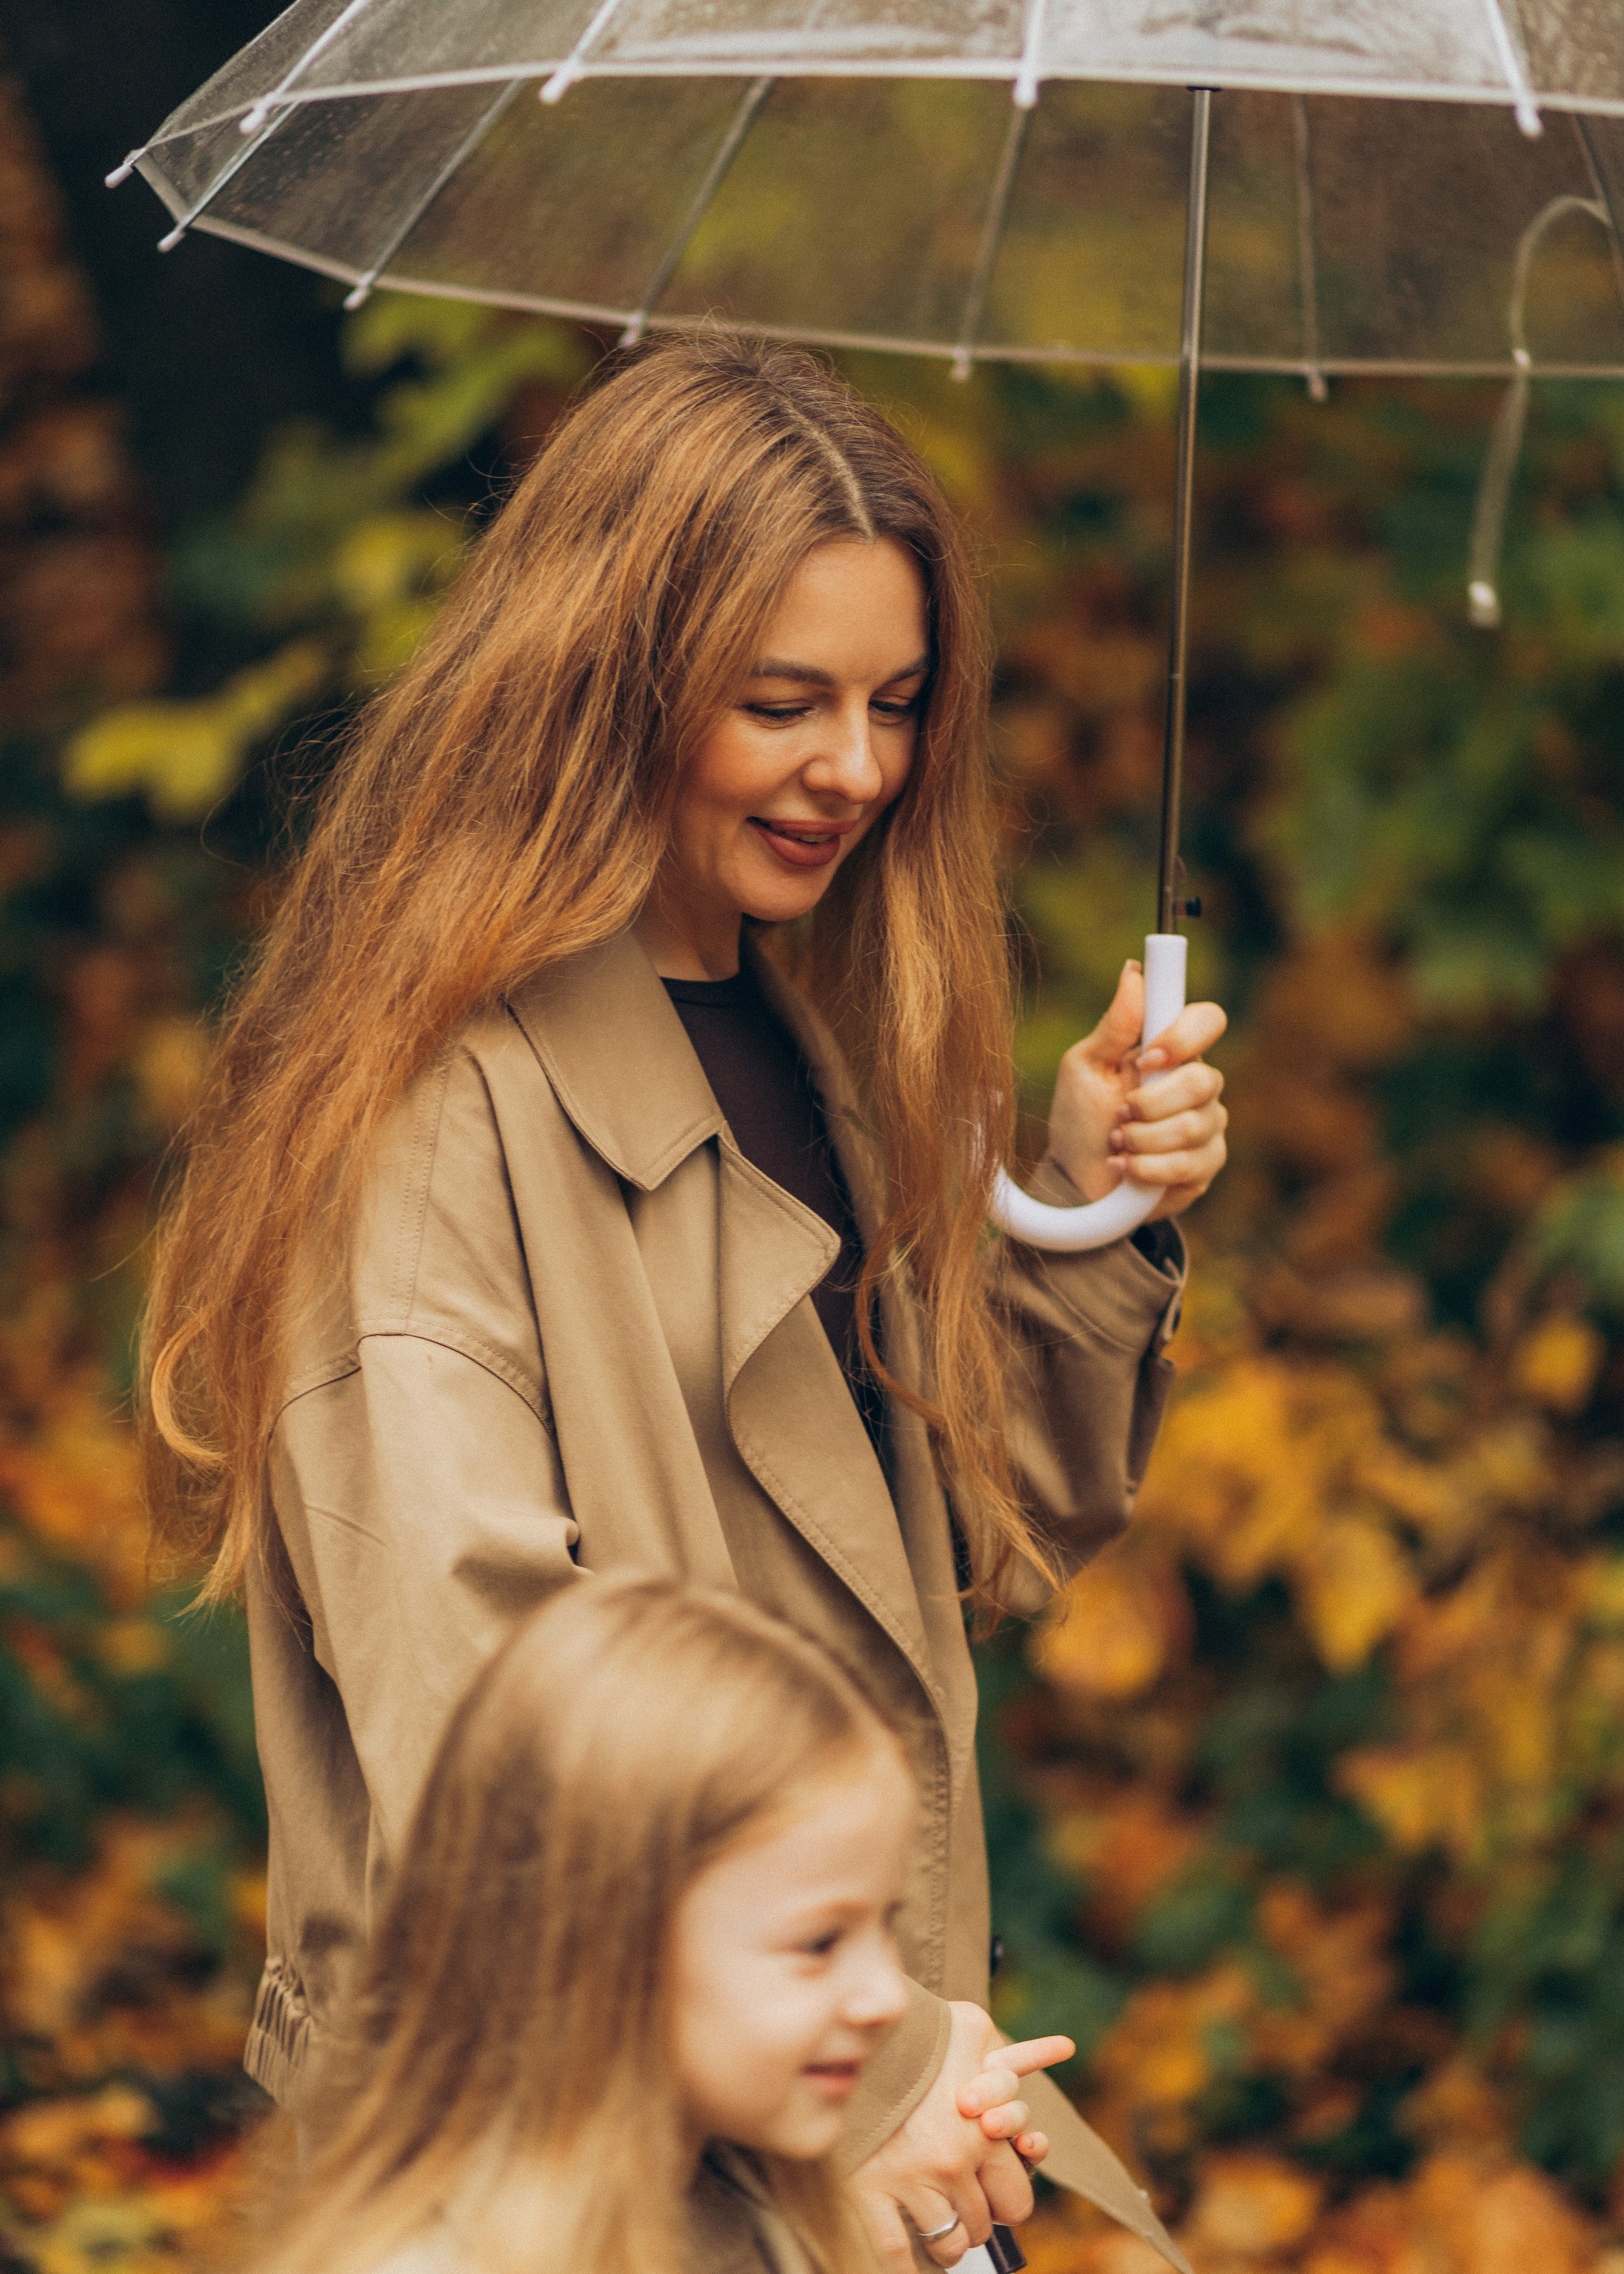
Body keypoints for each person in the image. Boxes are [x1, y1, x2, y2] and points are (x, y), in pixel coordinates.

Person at [143, 334, 1224, 2273]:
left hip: (841, 2123)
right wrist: (883, 2060)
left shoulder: (804, 1041)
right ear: (610, 682)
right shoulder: (424, 1118)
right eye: (782, 703)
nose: (858, 771)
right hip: (585, 2162)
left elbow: (975, 1547)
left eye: (897, 706)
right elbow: (491, 1720)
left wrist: (1084, 1213)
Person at [253, 1576, 1075, 2274]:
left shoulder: (778, 2227)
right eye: (819, 1942)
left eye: (881, 1929)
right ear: (598, 1931)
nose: (887, 1999)